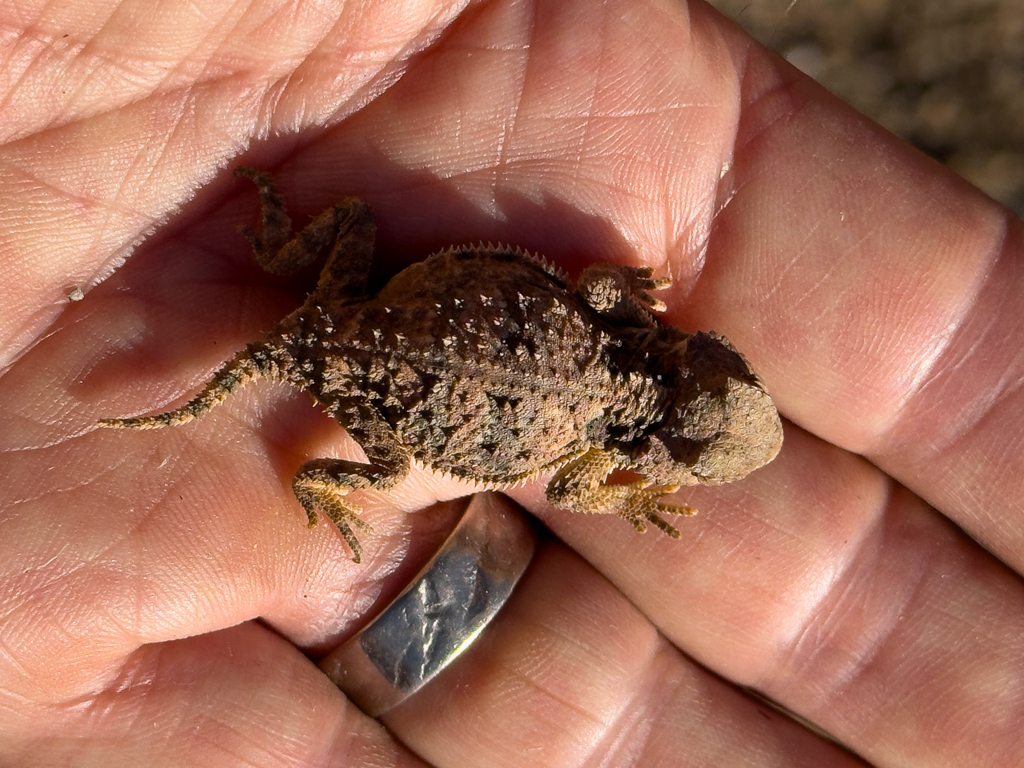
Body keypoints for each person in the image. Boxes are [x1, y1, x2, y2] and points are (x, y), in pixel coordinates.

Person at [1, 0, 1020, 765]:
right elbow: (574, 490)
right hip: (382, 395)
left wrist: (630, 304)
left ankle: (281, 254)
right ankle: (320, 484)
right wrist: (637, 495)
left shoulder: (620, 322)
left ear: (698, 366)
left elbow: (603, 284)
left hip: (375, 309)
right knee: (386, 456)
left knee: (347, 223)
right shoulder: (586, 457)